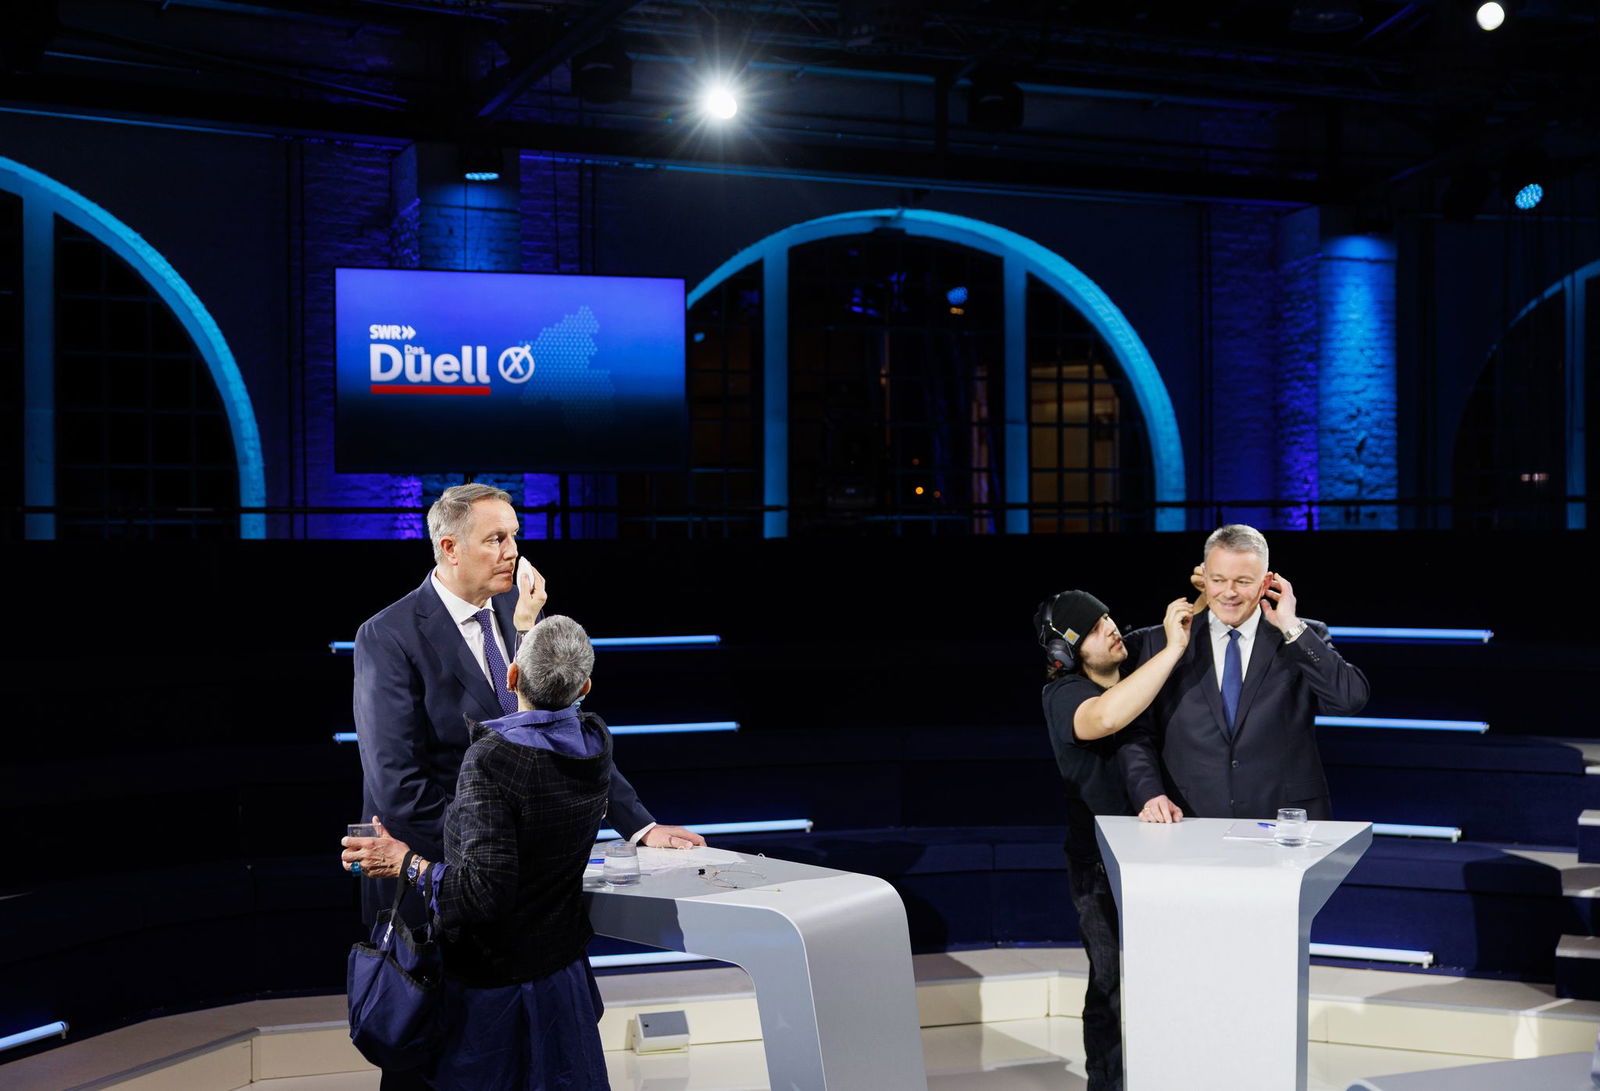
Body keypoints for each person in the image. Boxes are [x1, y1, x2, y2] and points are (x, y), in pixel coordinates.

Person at [353, 483, 702, 1088]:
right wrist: (493, 860)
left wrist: (639, 825)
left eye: (514, 535)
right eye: (496, 539)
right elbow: (398, 787)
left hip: (514, 903)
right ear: (449, 548)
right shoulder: (389, 636)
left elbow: (561, 733)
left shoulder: (520, 622)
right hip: (443, 898)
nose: (513, 551)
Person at [344, 615, 615, 1088]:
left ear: (511, 677)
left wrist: (406, 862)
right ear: (585, 686)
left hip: (492, 995)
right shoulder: (594, 741)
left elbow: (481, 894)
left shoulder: (493, 759)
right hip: (562, 978)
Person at [1037, 588, 1194, 1091]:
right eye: (1094, 626)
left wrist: (1207, 584)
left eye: (1108, 616)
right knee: (1109, 983)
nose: (1111, 627)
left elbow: (1192, 612)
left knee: (1170, 981)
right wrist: (1171, 650)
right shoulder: (1064, 694)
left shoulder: (1134, 663)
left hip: (1162, 857)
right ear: (1068, 649)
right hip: (1098, 868)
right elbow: (1104, 717)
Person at [1117, 524, 1370, 824]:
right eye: (1218, 580)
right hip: (1188, 818)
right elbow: (1136, 731)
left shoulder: (1301, 635)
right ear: (1204, 578)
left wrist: (1291, 626)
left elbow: (1349, 700)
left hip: (1282, 822)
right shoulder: (1160, 641)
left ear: (1266, 582)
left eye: (1243, 581)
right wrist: (1148, 793)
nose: (1229, 593)